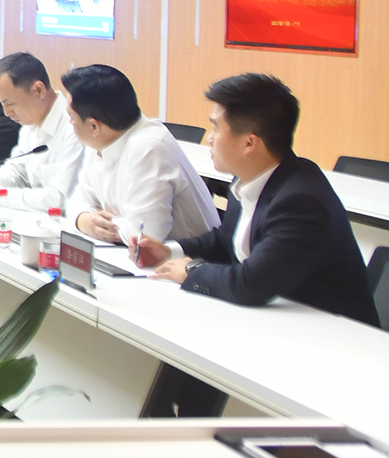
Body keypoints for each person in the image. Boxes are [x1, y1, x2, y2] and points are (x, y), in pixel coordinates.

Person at [131, 74, 375, 324]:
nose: (209, 139)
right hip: (277, 321)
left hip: (336, 334)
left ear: (249, 143)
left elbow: (249, 284)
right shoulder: (248, 177)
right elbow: (227, 240)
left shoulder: (301, 202)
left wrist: (191, 270)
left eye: (215, 128)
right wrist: (169, 251)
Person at [60, 64, 219, 243]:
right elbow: (76, 202)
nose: (70, 123)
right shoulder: (99, 141)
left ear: (94, 126)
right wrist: (83, 220)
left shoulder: (148, 148)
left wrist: (97, 222)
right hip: (132, 252)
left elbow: (144, 234)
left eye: (71, 117)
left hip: (187, 256)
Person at [0, 52, 87, 209]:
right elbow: (18, 172)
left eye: (10, 103)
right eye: (1, 104)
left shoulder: (74, 128)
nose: (6, 112)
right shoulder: (29, 126)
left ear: (38, 90)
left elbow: (60, 199)